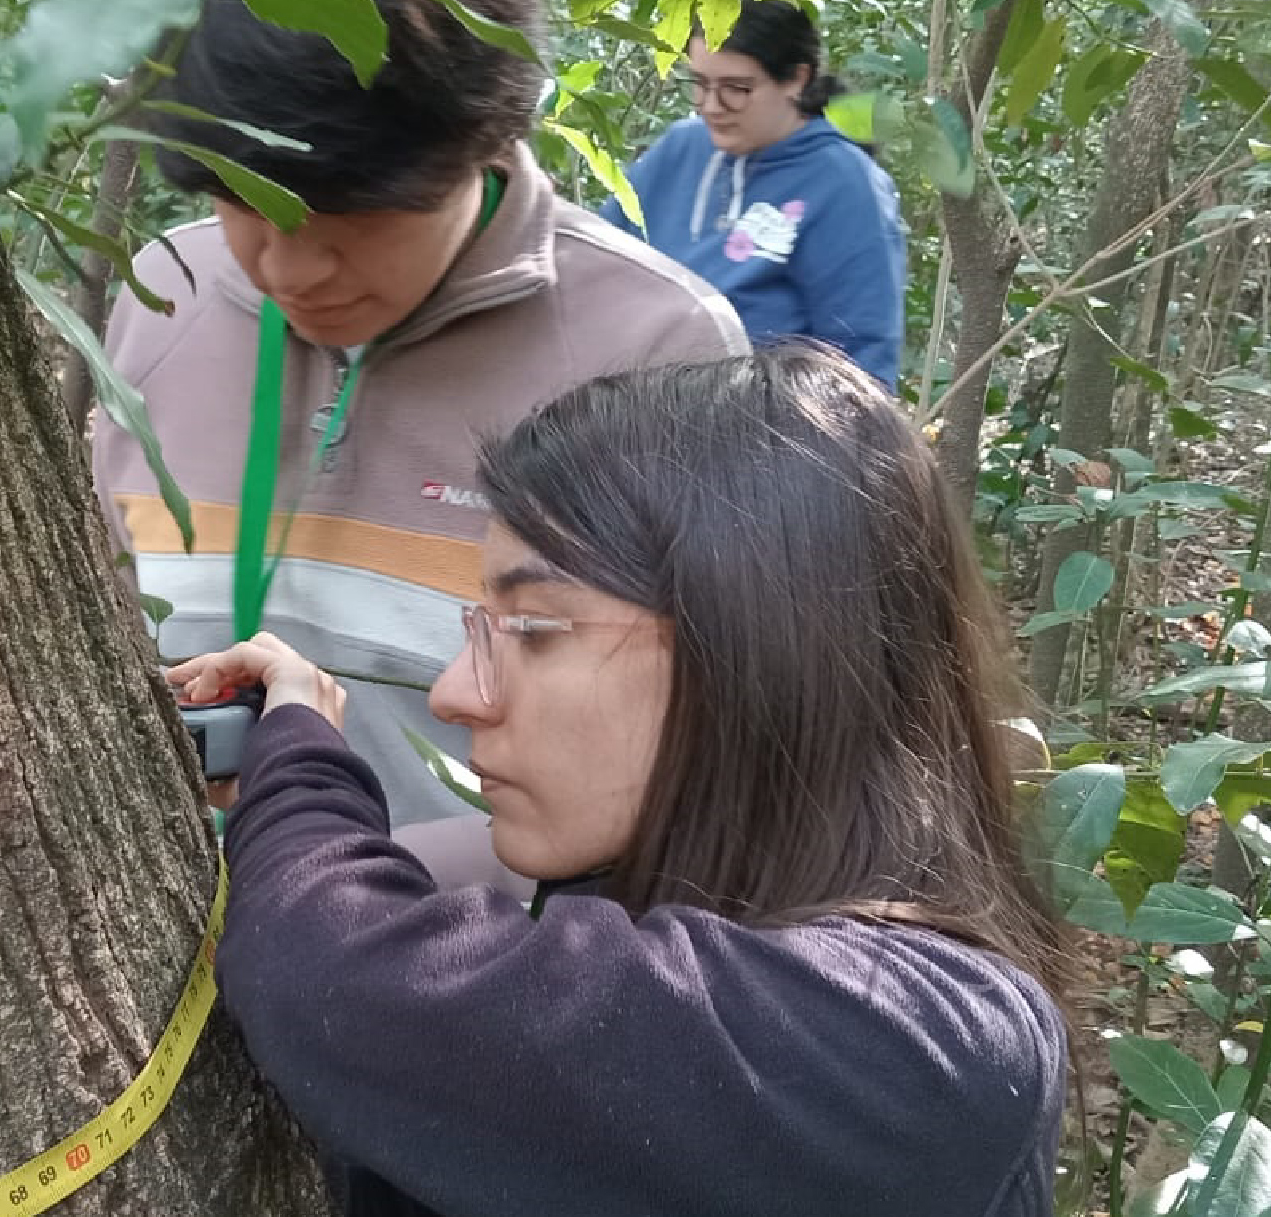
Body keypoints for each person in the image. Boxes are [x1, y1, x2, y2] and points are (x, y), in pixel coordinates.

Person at [168, 345, 1071, 1217]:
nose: (455, 695)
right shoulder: (648, 933)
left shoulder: (920, 1041)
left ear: (753, 653)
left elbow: (330, 976)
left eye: (534, 628)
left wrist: (301, 763)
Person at [92, 0, 747, 876]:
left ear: (481, 140)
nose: (290, 270)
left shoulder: (655, 354)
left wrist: (340, 906)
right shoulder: (166, 295)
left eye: (353, 215)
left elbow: (689, 775)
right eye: (243, 204)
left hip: (470, 970)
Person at [603, 0, 908, 387]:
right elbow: (598, 263)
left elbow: (861, 369)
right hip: (633, 415)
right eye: (699, 84)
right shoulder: (681, 149)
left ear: (796, 79)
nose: (711, 106)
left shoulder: (845, 185)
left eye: (736, 89)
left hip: (754, 432)